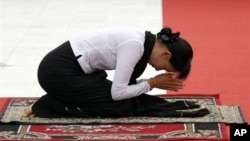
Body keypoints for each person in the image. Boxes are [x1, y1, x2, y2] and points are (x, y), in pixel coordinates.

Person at [23, 26, 209, 118]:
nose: (159, 69)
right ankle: (49, 105)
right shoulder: (134, 46)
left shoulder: (142, 41)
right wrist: (152, 83)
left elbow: (123, 85)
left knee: (126, 100)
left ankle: (64, 97)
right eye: (165, 68)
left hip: (78, 73)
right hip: (57, 73)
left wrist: (150, 83)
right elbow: (118, 93)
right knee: (119, 107)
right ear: (166, 54)